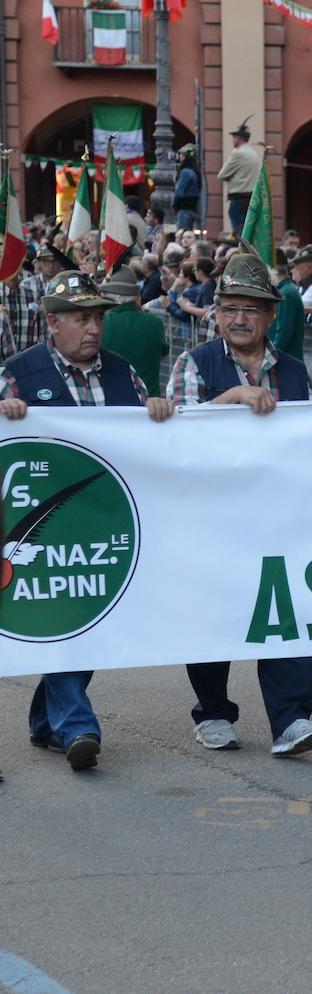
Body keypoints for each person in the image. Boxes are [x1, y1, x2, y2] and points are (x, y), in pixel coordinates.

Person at [0, 272, 172, 772]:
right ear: (52, 323)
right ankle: (77, 725)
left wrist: (157, 410)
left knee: (91, 621)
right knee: (64, 620)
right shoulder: (17, 374)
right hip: (44, 531)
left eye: (97, 318)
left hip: (106, 526)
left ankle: (44, 722)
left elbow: (149, 439)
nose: (93, 328)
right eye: (81, 319)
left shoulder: (123, 373)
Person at [167, 254, 312, 755]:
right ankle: (213, 713)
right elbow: (175, 438)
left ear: (271, 315)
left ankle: (292, 720)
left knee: (287, 616)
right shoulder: (194, 364)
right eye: (230, 307)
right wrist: (231, 397)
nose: (240, 318)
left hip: (279, 520)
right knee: (215, 618)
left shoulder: (297, 372)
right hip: (213, 520)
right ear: (215, 313)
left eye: (251, 309)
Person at [100, 274, 169, 398]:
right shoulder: (154, 321)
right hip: (150, 403)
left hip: (113, 399)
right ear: (137, 297)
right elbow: (165, 354)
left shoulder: (101, 322)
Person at [216, 120, 260, 235]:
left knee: (239, 231)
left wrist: (230, 176)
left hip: (239, 197)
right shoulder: (253, 153)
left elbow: (222, 174)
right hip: (250, 197)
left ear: (238, 138)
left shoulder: (238, 153)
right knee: (248, 230)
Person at [172, 148, 201, 231]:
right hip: (192, 208)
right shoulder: (195, 172)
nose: (180, 157)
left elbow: (179, 191)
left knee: (182, 233)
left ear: (185, 156)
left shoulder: (185, 172)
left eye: (181, 154)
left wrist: (173, 204)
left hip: (184, 209)